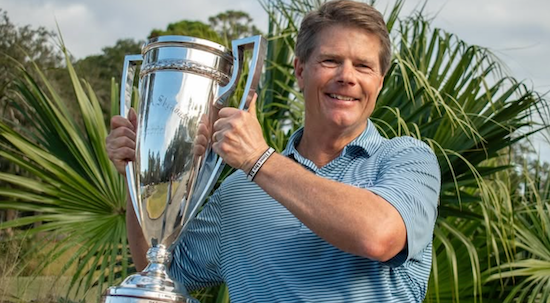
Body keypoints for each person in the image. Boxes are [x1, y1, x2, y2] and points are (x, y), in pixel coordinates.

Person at [106, 0, 441, 302]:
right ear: (300, 71)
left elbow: (378, 236)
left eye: (363, 66)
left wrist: (258, 159)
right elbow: (164, 269)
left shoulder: (408, 159)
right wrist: (139, 174)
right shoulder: (238, 192)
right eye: (330, 60)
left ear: (379, 82)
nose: (346, 77)